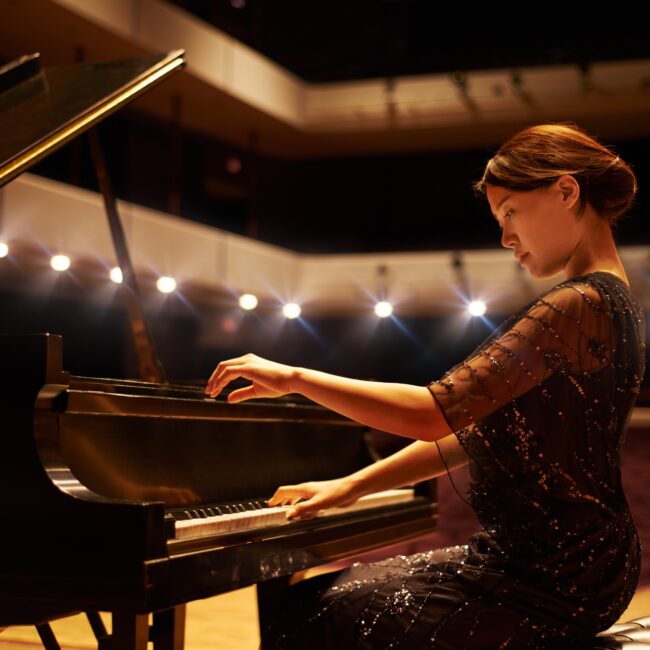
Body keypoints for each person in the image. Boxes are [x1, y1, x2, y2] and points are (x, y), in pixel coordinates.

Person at [205, 123, 645, 649]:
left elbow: (437, 412)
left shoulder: (579, 304)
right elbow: (474, 434)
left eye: (510, 213)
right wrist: (350, 486)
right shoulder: (611, 301)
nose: (505, 237)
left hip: (552, 575)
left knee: (314, 614)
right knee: (316, 598)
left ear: (567, 191)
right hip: (571, 561)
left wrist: (295, 377)